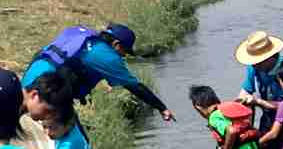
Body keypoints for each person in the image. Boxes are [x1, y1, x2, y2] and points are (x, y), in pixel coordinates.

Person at [21, 23, 174, 123]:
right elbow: (135, 86)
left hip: (32, 74)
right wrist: (162, 108)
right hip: (48, 89)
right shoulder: (107, 56)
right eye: (124, 51)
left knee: (13, 114)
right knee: (74, 139)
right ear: (116, 44)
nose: (124, 56)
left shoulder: (84, 37)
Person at [235, 30, 283, 149]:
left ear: (269, 57)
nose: (254, 65)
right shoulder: (254, 67)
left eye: (258, 62)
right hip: (268, 119)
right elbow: (246, 91)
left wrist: (258, 101)